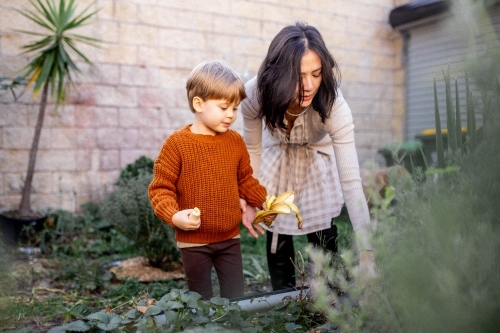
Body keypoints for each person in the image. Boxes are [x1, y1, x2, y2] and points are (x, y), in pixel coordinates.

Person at [241, 22, 375, 291]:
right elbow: (253, 150)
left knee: (320, 219)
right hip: (276, 151)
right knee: (275, 217)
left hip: (317, 152)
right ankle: (283, 296)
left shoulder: (333, 105)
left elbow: (351, 182)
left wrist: (367, 251)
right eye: (299, 75)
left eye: (317, 73)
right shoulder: (255, 94)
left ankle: (330, 293)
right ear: (278, 74)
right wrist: (249, 196)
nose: (309, 85)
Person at [148, 61, 274, 300]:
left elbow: (245, 180)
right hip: (193, 242)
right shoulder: (177, 144)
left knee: (236, 296)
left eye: (235, 108)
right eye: (224, 106)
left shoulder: (234, 142)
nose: (231, 114)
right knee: (200, 299)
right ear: (198, 103)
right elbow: (160, 189)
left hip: (229, 238)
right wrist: (175, 216)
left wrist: (264, 200)